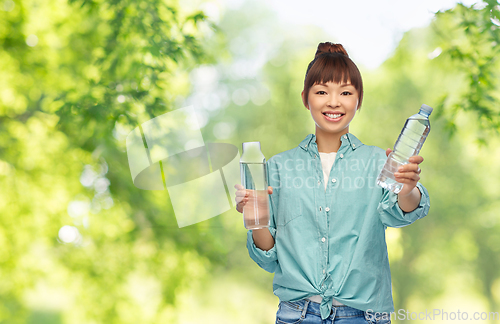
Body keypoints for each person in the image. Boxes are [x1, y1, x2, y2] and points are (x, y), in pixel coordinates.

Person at [234, 42, 430, 324]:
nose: (334, 102)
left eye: (346, 93)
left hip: (365, 316)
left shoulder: (379, 162)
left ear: (358, 99)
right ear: (306, 98)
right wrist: (256, 219)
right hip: (297, 315)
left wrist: (407, 188)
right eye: (322, 92)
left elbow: (402, 213)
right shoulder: (277, 167)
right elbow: (268, 258)